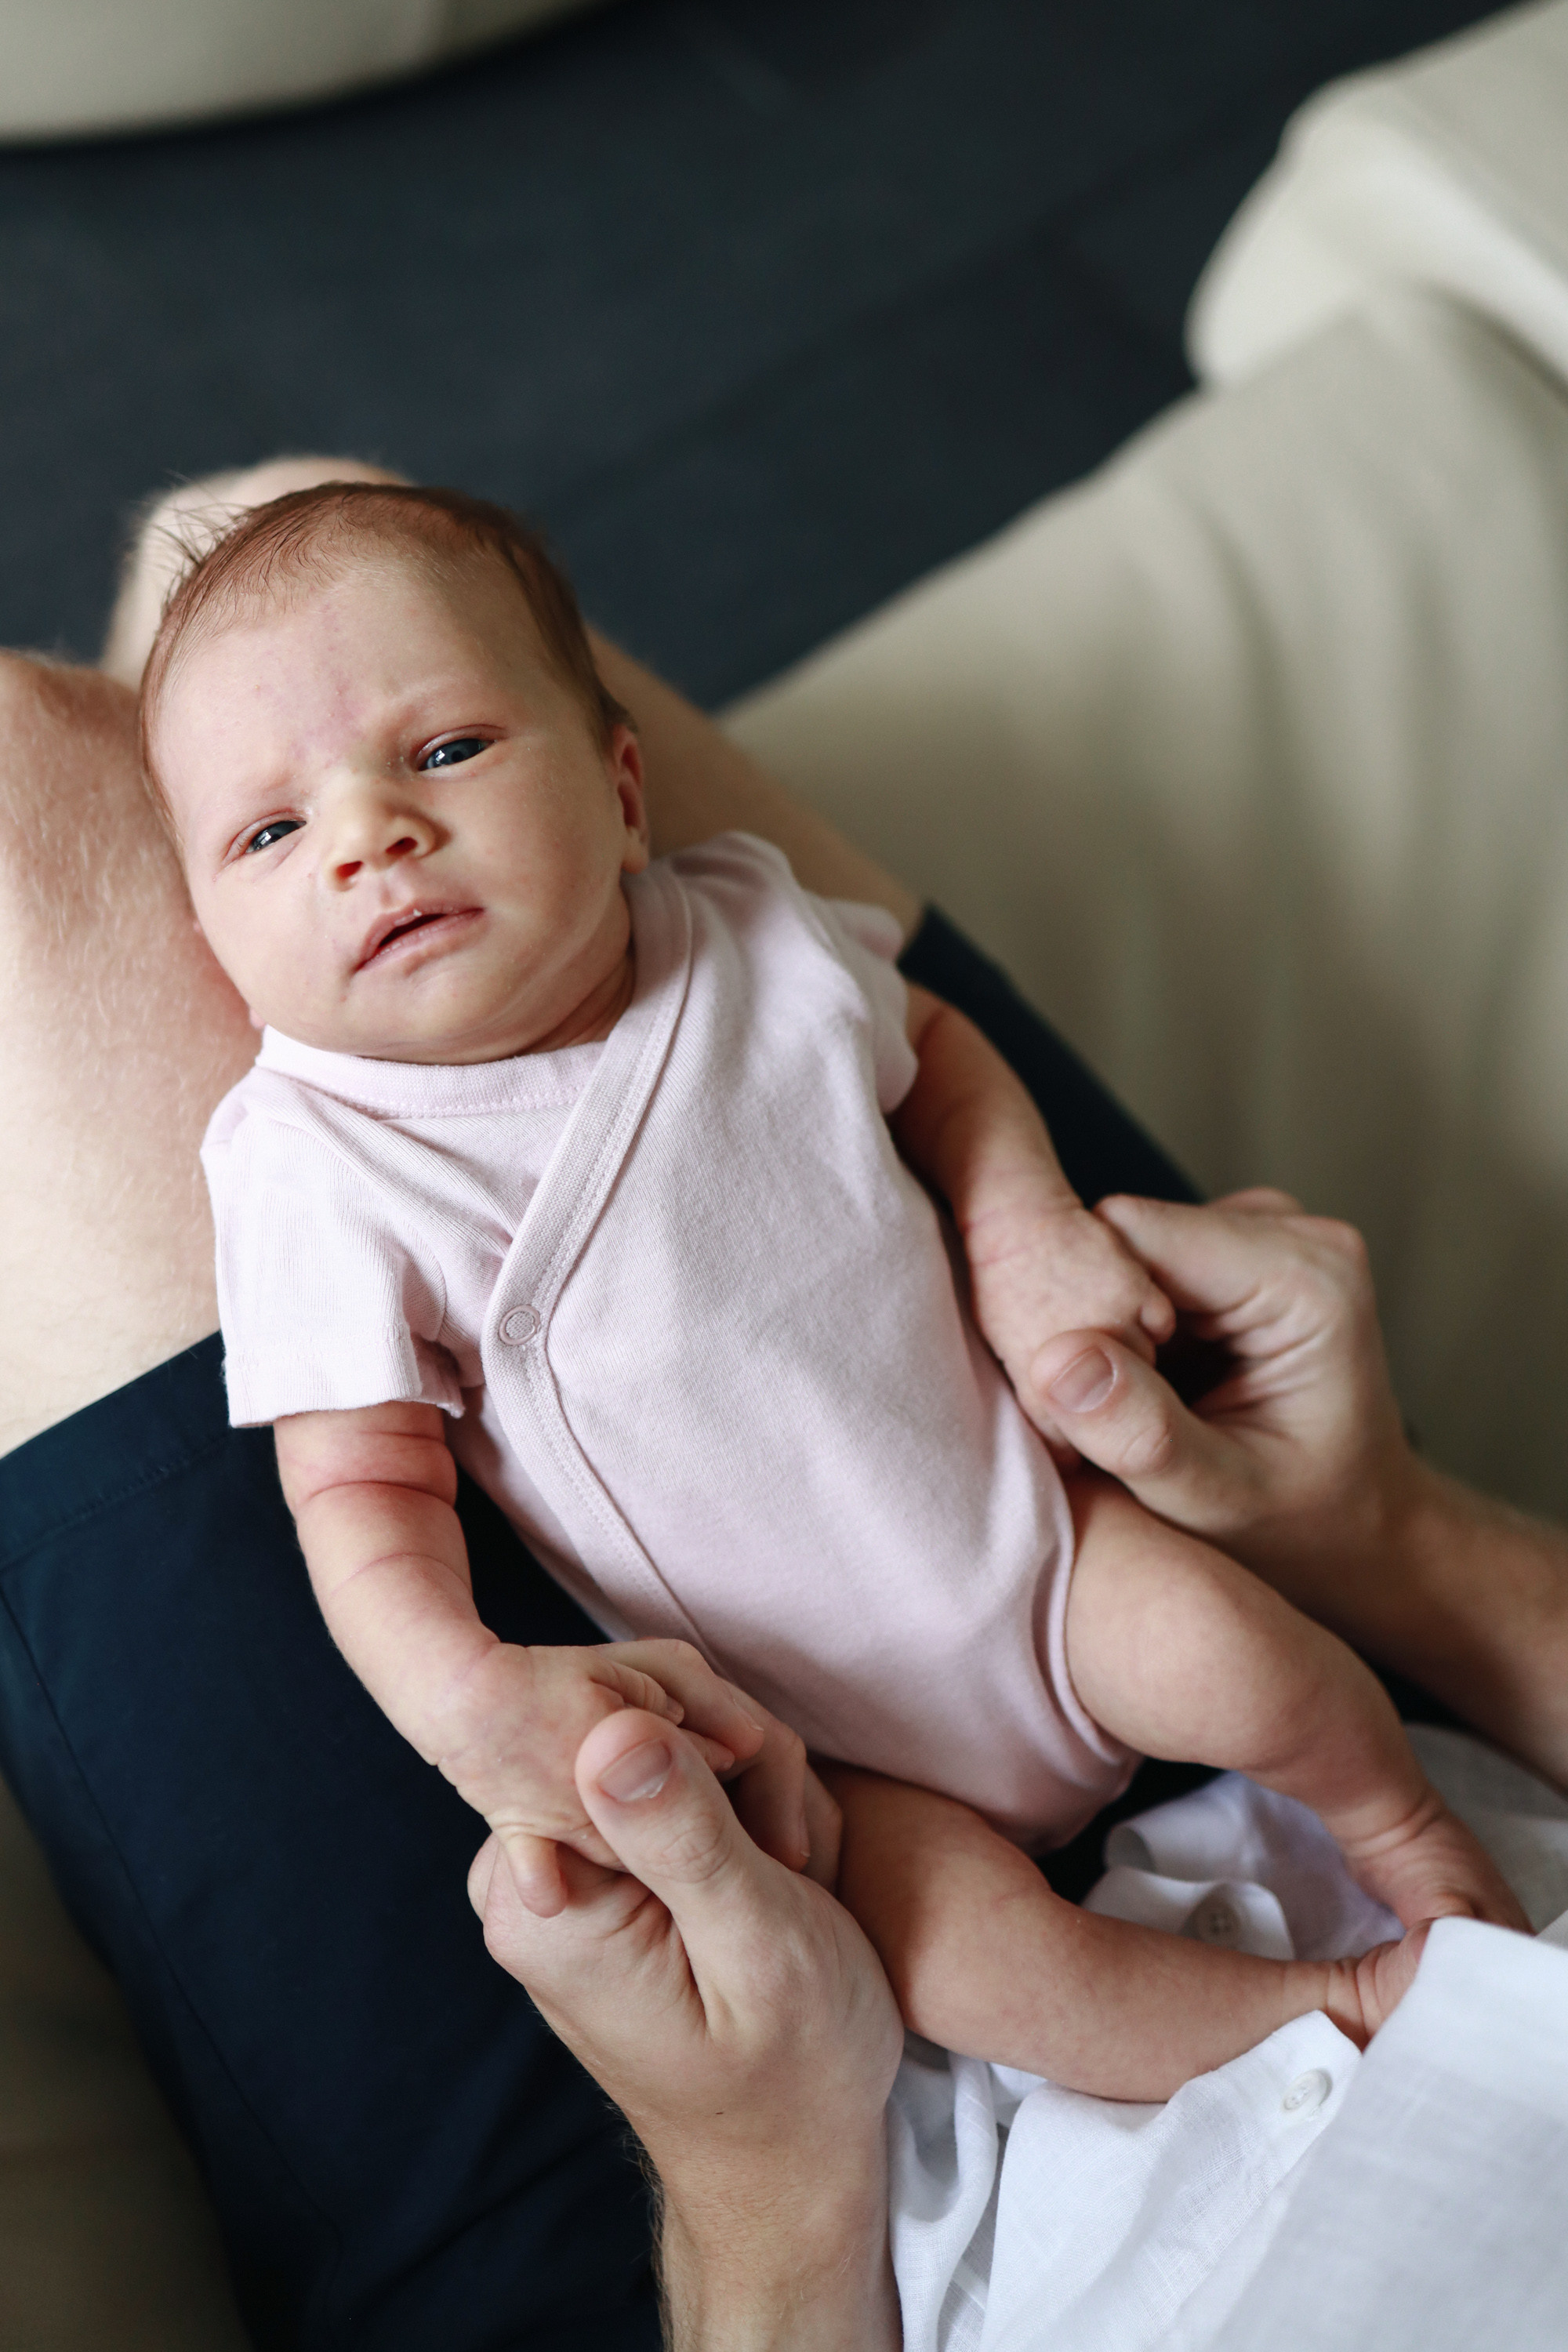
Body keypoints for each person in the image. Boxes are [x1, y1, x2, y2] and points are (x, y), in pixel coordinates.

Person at [0, 449, 1563, 2344]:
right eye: (264, 841)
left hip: (1045, 1569)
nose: (368, 841)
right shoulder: (316, 1163)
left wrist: (1024, 1224)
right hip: (832, 1760)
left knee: (1272, 1681)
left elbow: (937, 1058)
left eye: (447, 759)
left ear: (623, 791)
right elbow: (362, 1488)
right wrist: (457, 1685)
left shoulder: (739, 928)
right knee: (987, 1957)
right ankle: (1342, 2003)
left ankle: (1419, 1861)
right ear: (214, 951)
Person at [470, 1185, 1568, 2345]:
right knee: (1224, 1650)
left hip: (827, 2031)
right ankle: (1391, 1851)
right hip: (1071, 1532)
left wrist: (760, 2177)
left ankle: (1335, 1991)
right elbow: (930, 1060)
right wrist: (1392, 1535)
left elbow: (355, 1493)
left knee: (321, 1100)